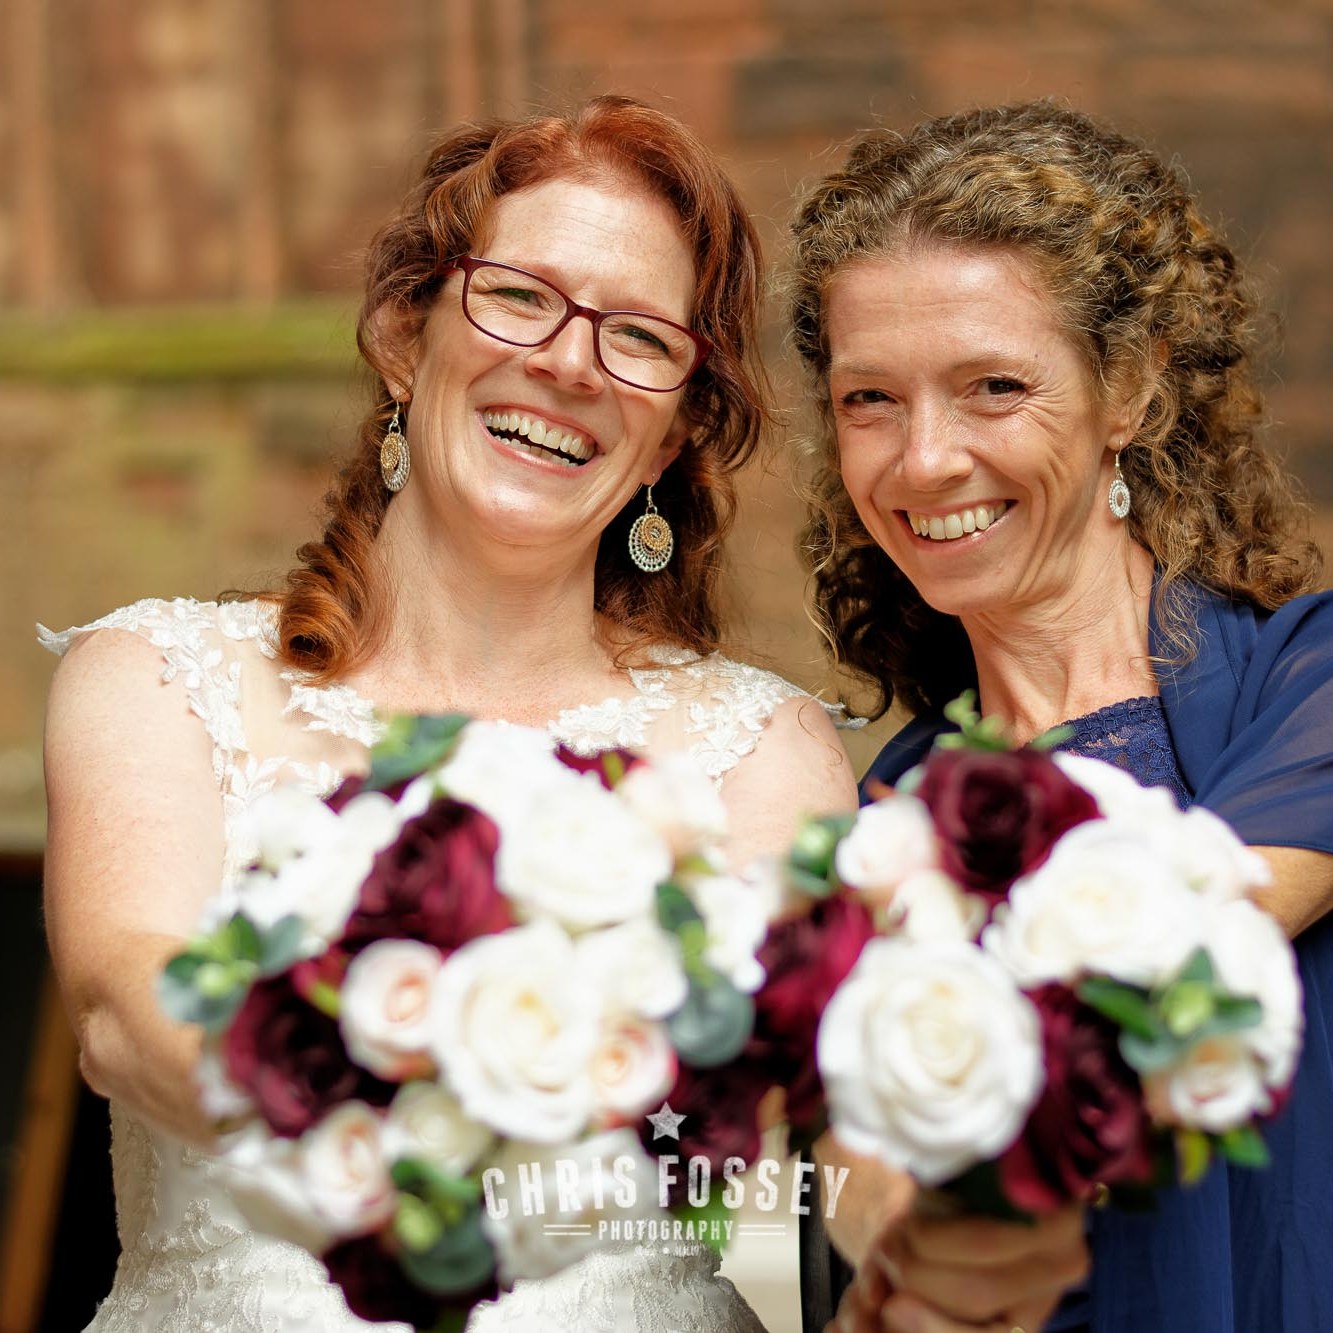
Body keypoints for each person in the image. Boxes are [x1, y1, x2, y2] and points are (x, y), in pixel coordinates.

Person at [40, 96, 1081, 1333]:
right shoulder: (152, 676)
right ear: (402, 334)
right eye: (520, 297)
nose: (570, 363)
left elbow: (822, 1109)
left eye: (637, 336)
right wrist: (420, 1151)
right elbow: (123, 1008)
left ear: (677, 432)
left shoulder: (759, 752)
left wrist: (922, 1239)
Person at [788, 100, 1333, 1332]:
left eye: (992, 386)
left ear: (1127, 386)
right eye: (869, 398)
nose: (922, 460)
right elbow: (862, 1185)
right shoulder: (882, 809)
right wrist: (882, 1213)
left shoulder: (1306, 683)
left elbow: (1182, 972)